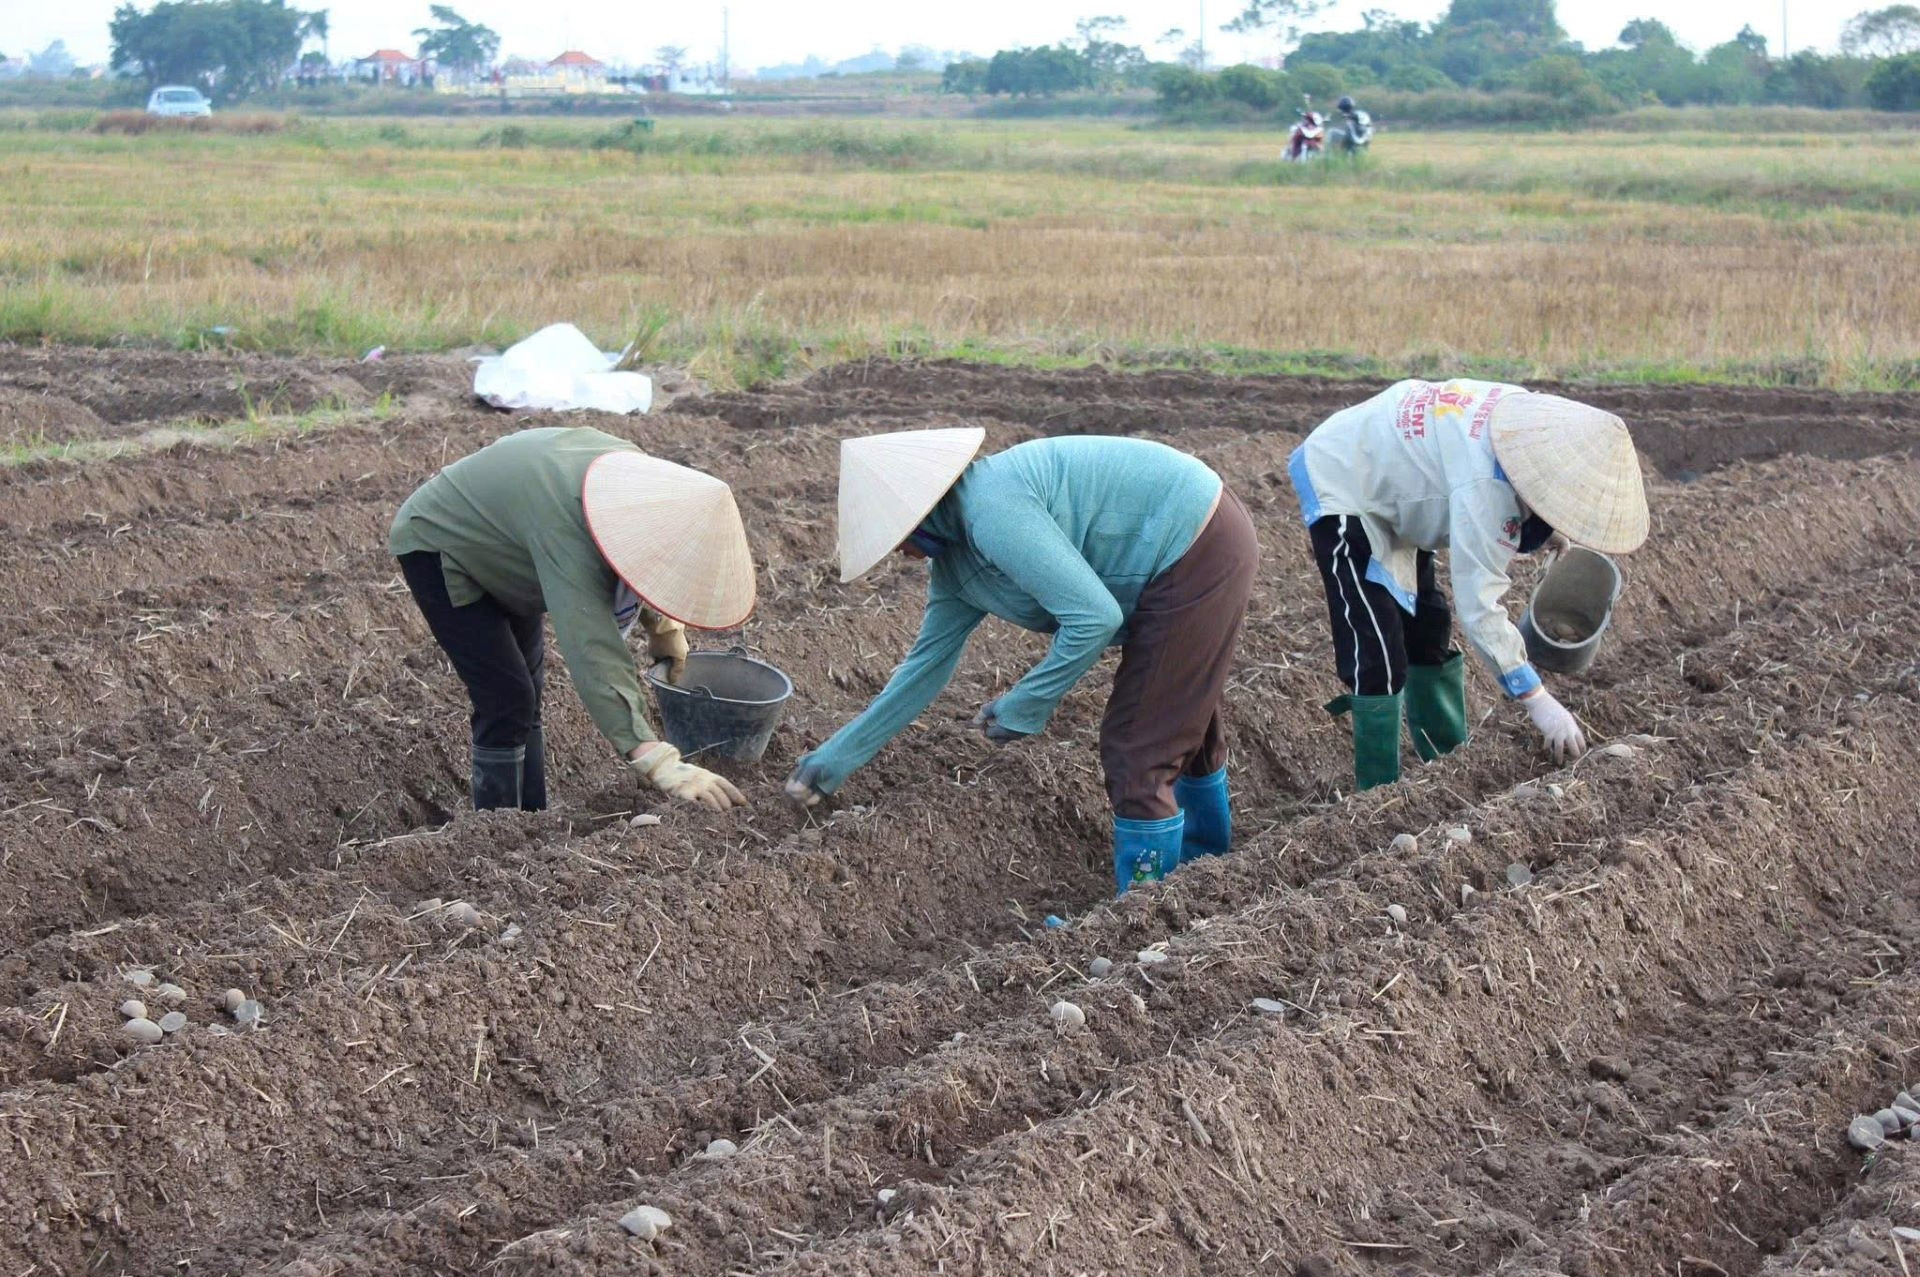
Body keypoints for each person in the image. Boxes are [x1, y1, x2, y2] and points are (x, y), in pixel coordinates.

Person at [784, 429, 1260, 896]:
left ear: (917, 515)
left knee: (1139, 743)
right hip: (1182, 549)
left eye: (893, 539)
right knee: (1179, 717)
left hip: (1196, 542)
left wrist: (1026, 705)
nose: (899, 556)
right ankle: (1199, 878)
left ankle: (1146, 912)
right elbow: (923, 669)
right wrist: (835, 758)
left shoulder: (992, 508)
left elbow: (1094, 619)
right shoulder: (954, 566)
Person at [1289, 381, 1648, 790]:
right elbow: (1479, 610)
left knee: (1429, 627)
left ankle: (1445, 766)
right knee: (1379, 653)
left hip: (1405, 479)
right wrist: (1537, 699)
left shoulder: (1524, 421)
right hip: (1345, 478)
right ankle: (1376, 794)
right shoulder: (1485, 491)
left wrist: (1547, 525)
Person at [390, 426, 756, 813]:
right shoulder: (571, 530)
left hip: (513, 544)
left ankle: (530, 821)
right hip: (440, 543)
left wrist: (664, 628)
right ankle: (494, 827)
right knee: (506, 698)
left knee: (527, 697)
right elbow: (591, 648)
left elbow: (647, 556)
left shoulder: (634, 488)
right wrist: (654, 758)